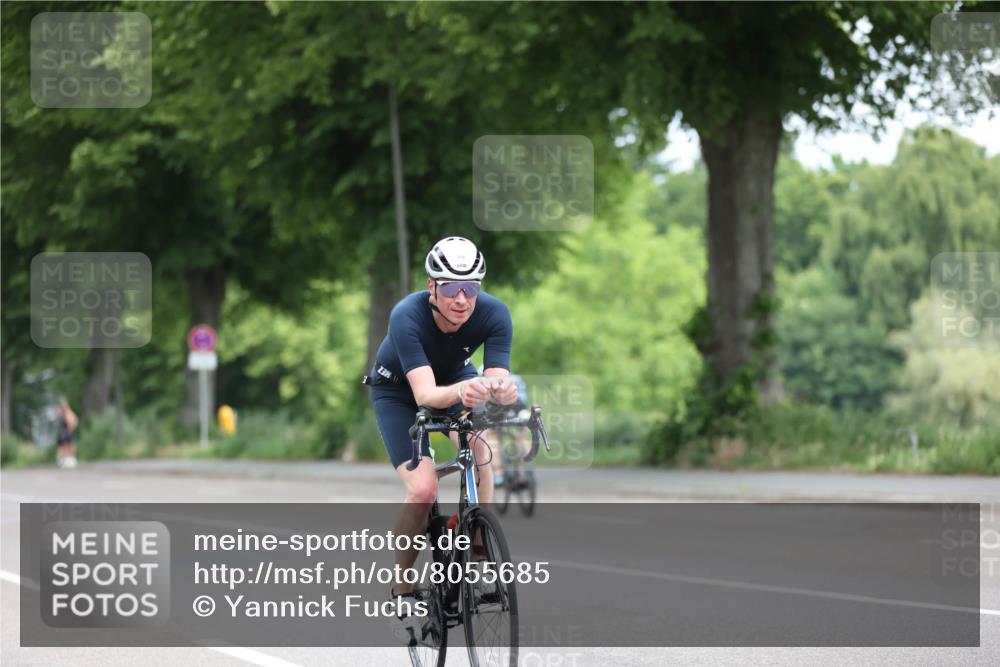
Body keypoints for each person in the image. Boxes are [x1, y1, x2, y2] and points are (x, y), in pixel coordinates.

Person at [363, 236, 519, 643]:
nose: (462, 298)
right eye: (451, 287)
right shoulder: (406, 316)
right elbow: (427, 397)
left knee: (484, 447)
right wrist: (467, 391)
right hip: (400, 391)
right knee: (423, 488)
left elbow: (496, 377)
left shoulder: (495, 313)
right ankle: (402, 588)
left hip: (455, 380)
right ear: (432, 286)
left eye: (472, 288)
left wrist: (501, 391)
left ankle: (480, 544)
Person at [55, 398, 78, 468]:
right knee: (62, 447)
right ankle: (62, 460)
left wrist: (70, 430)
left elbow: (74, 422)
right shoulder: (60, 413)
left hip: (67, 432)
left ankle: (70, 460)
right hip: (62, 433)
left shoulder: (69, 413)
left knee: (69, 446)